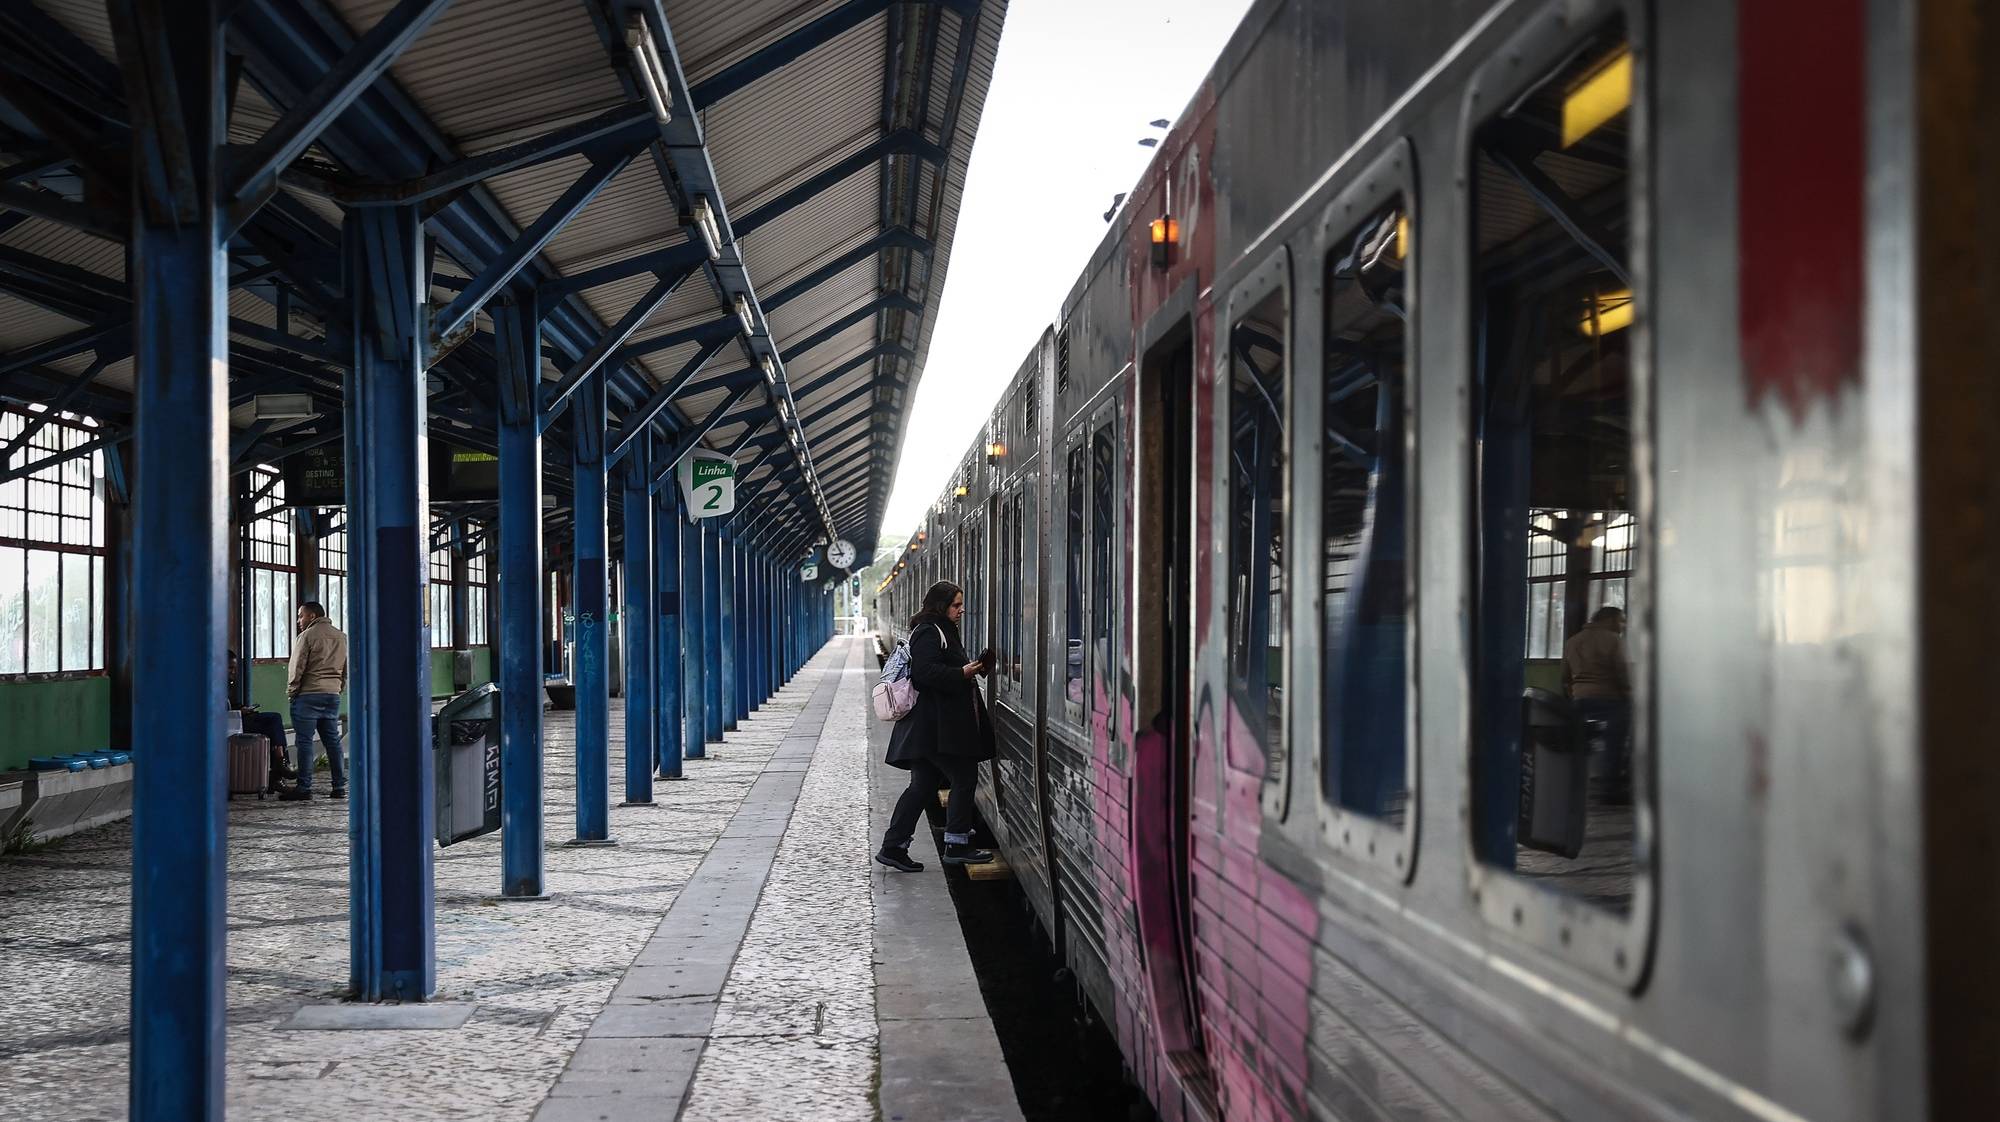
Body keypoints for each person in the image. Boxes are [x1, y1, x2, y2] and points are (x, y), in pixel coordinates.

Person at [876, 580, 996, 871]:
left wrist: (971, 668)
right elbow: (924, 673)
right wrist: (962, 672)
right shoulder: (930, 631)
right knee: (964, 776)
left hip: (930, 728)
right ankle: (957, 844)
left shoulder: (940, 630)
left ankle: (893, 847)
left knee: (922, 785)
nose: (961, 610)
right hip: (933, 727)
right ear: (941, 606)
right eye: (956, 604)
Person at [280, 601, 348, 801]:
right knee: (333, 742)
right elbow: (344, 668)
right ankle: (338, 787)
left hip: (308, 694)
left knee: (304, 742)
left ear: (311, 616)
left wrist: (292, 691)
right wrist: (338, 689)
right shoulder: (340, 636)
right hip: (332, 694)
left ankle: (304, 787)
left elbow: (297, 666)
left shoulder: (307, 636)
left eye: (301, 615)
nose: (299, 620)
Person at [1562, 604, 1631, 800]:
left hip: (1580, 700)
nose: (1623, 626)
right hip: (1610, 700)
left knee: (1580, 744)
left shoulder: (1572, 641)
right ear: (1609, 620)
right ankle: (1610, 789)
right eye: (1621, 621)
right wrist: (1628, 694)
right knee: (1614, 743)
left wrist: (1574, 695)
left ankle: (1575, 787)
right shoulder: (1613, 640)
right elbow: (1621, 672)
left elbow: (1565, 676)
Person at [226, 648, 297, 787]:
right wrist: (240, 711)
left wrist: (242, 708)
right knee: (272, 724)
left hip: (237, 717)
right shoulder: (217, 685)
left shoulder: (229, 683)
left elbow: (232, 704)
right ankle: (280, 766)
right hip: (232, 722)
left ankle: (279, 765)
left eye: (234, 668)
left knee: (274, 720)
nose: (233, 671)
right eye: (230, 668)